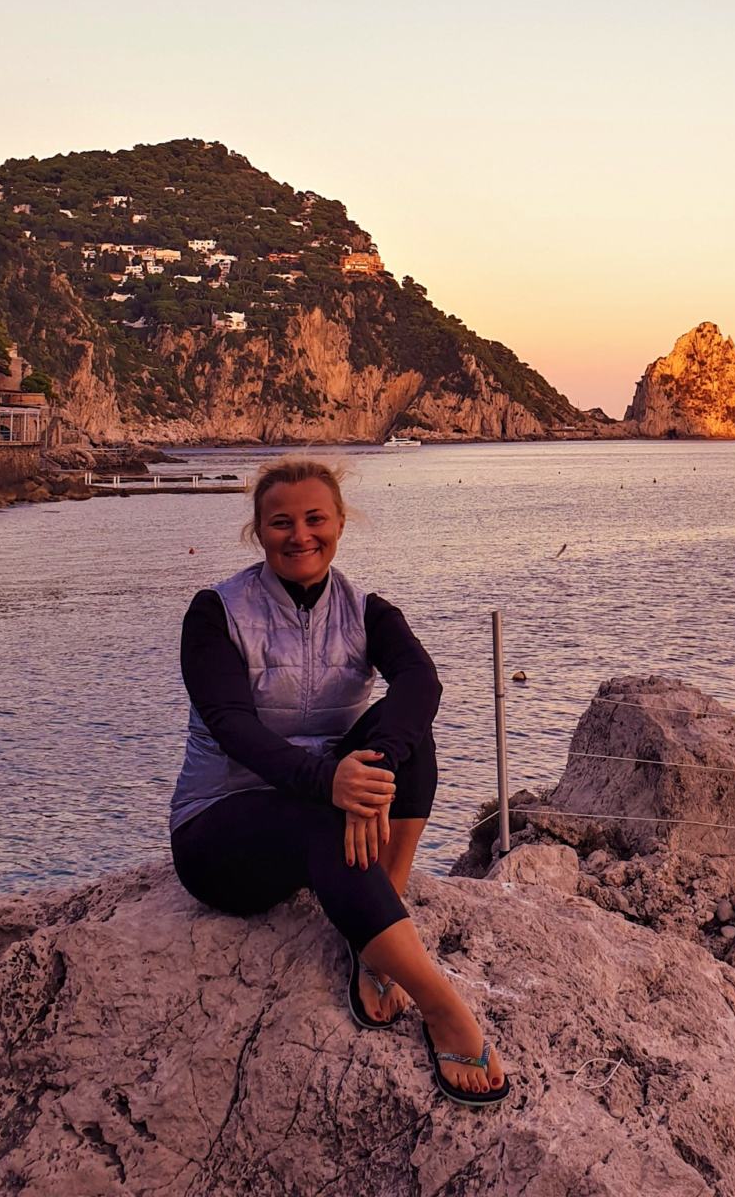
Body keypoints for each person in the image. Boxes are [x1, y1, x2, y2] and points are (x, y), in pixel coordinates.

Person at [169, 456, 507, 1108]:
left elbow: (421, 681)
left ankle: (378, 926)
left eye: (315, 518)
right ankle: (441, 1006)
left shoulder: (368, 611)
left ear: (340, 523)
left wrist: (369, 762)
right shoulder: (215, 614)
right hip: (221, 829)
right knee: (320, 814)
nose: (300, 535)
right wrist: (330, 782)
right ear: (258, 533)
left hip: (330, 803)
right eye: (281, 523)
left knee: (406, 733)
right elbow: (232, 725)